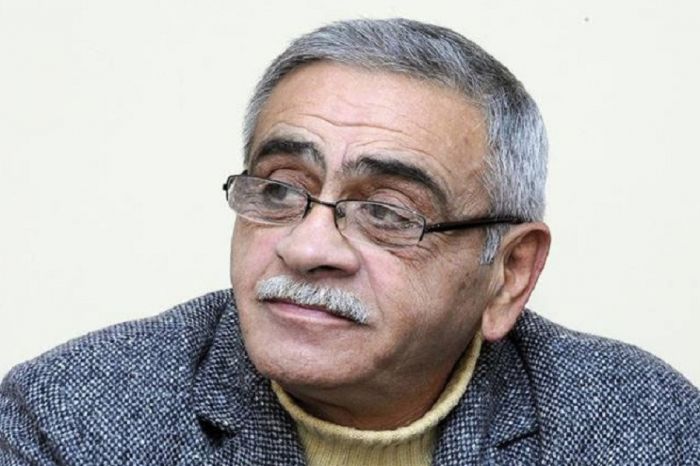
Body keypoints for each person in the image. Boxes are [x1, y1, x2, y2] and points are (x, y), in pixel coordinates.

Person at [1, 18, 697, 466]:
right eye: (280, 190)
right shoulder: (72, 417)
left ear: (509, 273)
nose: (307, 249)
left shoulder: (639, 427)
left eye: (387, 212)